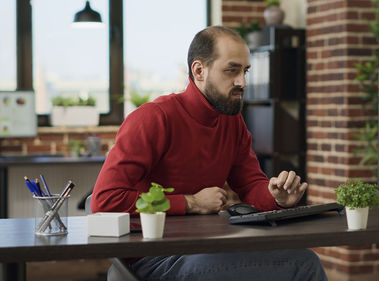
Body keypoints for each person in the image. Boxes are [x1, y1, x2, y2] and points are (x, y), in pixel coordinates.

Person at [92, 25, 327, 281]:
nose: (242, 82)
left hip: (206, 247)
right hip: (155, 258)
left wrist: (277, 197)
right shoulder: (152, 119)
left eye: (245, 71)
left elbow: (250, 184)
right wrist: (191, 202)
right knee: (303, 264)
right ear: (199, 70)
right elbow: (104, 201)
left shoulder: (232, 122)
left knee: (297, 255)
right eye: (232, 70)